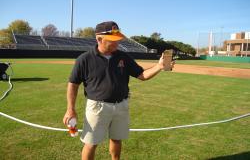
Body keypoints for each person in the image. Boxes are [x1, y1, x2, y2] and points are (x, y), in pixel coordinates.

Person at [63, 21, 174, 160]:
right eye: (113, 40)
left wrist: (159, 66)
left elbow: (142, 75)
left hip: (121, 106)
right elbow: (73, 84)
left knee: (116, 139)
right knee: (91, 143)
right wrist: (70, 109)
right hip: (97, 108)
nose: (118, 43)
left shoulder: (123, 57)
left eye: (118, 39)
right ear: (99, 39)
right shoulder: (84, 59)